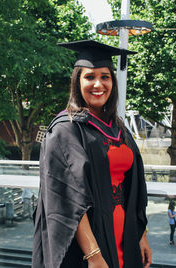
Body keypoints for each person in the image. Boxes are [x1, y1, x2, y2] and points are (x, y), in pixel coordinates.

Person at [33, 40, 151, 268]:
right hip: (88, 242)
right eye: (90, 77)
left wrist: (141, 233)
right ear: (77, 81)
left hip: (124, 236)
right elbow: (67, 199)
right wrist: (93, 255)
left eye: (105, 76)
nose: (98, 84)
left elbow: (133, 187)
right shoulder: (65, 130)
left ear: (112, 82)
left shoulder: (118, 127)